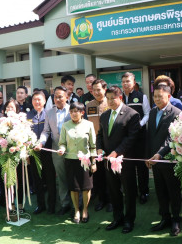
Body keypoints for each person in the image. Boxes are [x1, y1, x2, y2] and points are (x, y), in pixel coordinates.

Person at [96, 86, 140, 234]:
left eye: (112, 98)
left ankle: (129, 220)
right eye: (107, 98)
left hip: (124, 161)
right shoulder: (104, 115)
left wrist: (117, 151)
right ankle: (117, 218)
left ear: (120, 97)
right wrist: (100, 148)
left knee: (129, 191)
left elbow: (132, 137)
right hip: (108, 160)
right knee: (114, 191)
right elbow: (100, 135)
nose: (109, 101)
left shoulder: (132, 114)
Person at [146, 84, 182, 236]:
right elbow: (150, 135)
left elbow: (172, 138)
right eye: (155, 96)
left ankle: (175, 220)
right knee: (160, 190)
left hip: (169, 159)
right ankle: (165, 218)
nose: (157, 99)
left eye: (160, 96)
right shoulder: (153, 112)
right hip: (154, 160)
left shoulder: (177, 113)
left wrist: (160, 154)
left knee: (173, 191)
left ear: (168, 96)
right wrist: (148, 156)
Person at [58, 102, 97, 223]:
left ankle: (85, 209)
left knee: (86, 188)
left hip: (85, 161)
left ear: (82, 113)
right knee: (74, 188)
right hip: (70, 161)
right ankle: (76, 210)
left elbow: (93, 145)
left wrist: (94, 162)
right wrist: (62, 149)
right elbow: (62, 143)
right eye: (72, 111)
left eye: (77, 111)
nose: (74, 114)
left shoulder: (89, 125)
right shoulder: (65, 126)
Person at [38, 86, 72, 216]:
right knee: (61, 178)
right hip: (56, 149)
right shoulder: (50, 113)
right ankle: (65, 203)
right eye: (55, 97)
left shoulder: (73, 110)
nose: (57, 99)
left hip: (72, 149)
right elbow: (46, 131)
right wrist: (41, 142)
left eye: (60, 96)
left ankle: (77, 204)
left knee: (74, 177)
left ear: (67, 97)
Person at [121, 72, 150, 204]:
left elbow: (148, 113)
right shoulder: (119, 97)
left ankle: (143, 192)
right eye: (124, 82)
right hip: (125, 138)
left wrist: (139, 125)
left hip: (140, 137)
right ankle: (130, 191)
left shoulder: (141, 96)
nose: (126, 84)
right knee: (128, 166)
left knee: (141, 167)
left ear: (134, 82)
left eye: (128, 81)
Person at [28, 91, 56, 215]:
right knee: (37, 180)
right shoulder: (28, 115)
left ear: (45, 101)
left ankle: (52, 205)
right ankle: (40, 205)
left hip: (47, 152)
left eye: (39, 100)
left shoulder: (49, 114)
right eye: (35, 100)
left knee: (50, 179)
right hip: (33, 153)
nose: (37, 102)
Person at [86, 79, 112, 212]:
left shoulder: (110, 102)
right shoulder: (89, 105)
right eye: (94, 90)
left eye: (99, 89)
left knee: (111, 174)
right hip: (95, 144)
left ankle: (111, 200)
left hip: (110, 143)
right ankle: (102, 199)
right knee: (98, 174)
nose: (96, 92)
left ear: (104, 89)